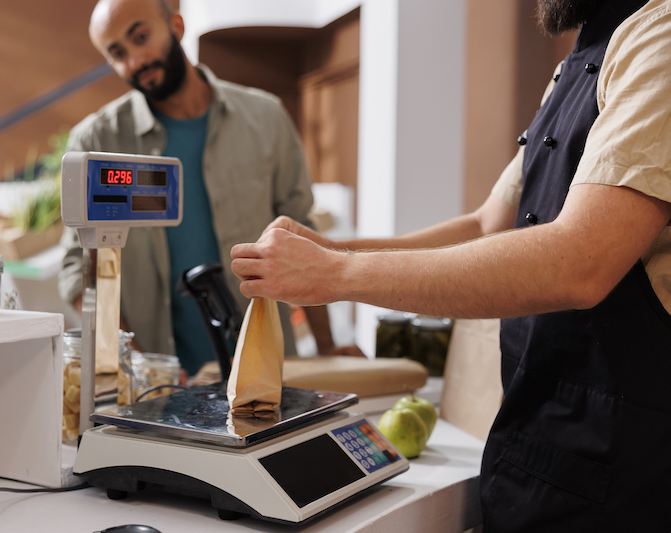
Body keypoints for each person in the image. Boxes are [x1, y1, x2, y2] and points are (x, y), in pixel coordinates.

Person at [231, 0, 671, 530]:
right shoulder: (572, 67)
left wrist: (334, 275)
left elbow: (580, 262)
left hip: (625, 461)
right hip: (541, 441)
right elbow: (487, 223)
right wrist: (330, 251)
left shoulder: (660, 38)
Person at [58, 0, 362, 377]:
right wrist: (138, 365)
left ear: (176, 25)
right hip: (164, 387)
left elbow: (303, 240)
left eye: (141, 37)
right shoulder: (97, 140)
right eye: (118, 52)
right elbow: (79, 268)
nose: (136, 60)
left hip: (270, 369)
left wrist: (327, 346)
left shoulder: (266, 119)